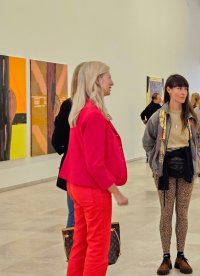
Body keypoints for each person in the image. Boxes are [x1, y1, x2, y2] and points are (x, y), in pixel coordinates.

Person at [59, 61, 129, 276]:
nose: (112, 82)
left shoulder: (81, 111)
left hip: (76, 186)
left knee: (81, 241)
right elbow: (95, 164)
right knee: (98, 246)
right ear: (97, 80)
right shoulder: (94, 115)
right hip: (92, 190)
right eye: (108, 77)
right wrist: (115, 192)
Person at [143, 74, 200, 275]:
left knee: (182, 214)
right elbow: (147, 141)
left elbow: (197, 140)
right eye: (178, 88)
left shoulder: (191, 116)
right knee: (166, 213)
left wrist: (194, 160)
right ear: (168, 90)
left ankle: (181, 255)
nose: (183, 92)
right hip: (164, 170)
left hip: (186, 169)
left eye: (185, 88)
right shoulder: (158, 116)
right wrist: (155, 163)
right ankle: (166, 256)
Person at [52, 62, 84, 228]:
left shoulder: (73, 104)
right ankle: (75, 253)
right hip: (77, 169)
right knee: (76, 216)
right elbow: (58, 139)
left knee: (76, 215)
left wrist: (65, 148)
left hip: (78, 167)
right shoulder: (72, 105)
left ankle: (77, 253)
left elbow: (58, 139)